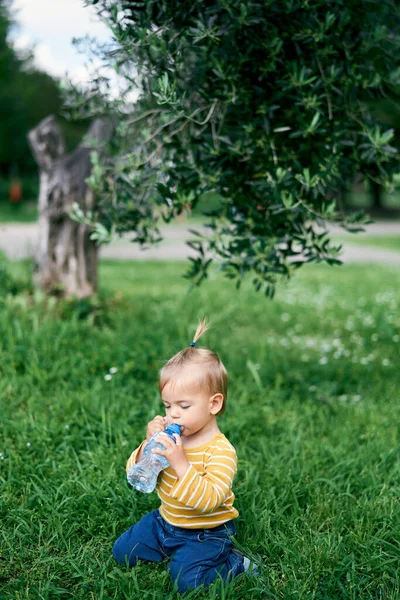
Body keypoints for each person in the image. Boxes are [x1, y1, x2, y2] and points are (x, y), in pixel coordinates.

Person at [112, 318, 257, 592]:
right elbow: (138, 473)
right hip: (165, 522)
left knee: (188, 583)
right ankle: (172, 549)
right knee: (123, 552)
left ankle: (235, 564)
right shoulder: (171, 436)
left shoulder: (220, 450)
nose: (173, 414)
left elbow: (210, 501)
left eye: (183, 405)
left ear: (214, 403)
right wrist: (147, 445)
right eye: (167, 405)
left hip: (207, 532)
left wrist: (181, 464)